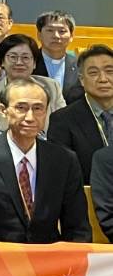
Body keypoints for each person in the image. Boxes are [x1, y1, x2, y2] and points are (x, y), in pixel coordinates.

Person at [0, 80, 91, 244]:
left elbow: (78, 228)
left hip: (48, 256)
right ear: (3, 110)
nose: (30, 117)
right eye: (21, 108)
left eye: (38, 108)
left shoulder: (64, 159)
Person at [45, 43, 113, 185]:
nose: (103, 79)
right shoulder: (62, 120)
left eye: (110, 71)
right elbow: (62, 172)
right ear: (82, 79)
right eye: (93, 73)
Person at [0, 34, 65, 130]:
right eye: (13, 57)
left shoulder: (52, 86)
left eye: (25, 57)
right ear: (2, 61)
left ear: (34, 63)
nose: (19, 62)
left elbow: (64, 121)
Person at [37, 11, 81, 101]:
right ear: (39, 35)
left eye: (62, 31)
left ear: (71, 36)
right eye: (50, 30)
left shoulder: (80, 65)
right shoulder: (28, 62)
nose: (56, 36)